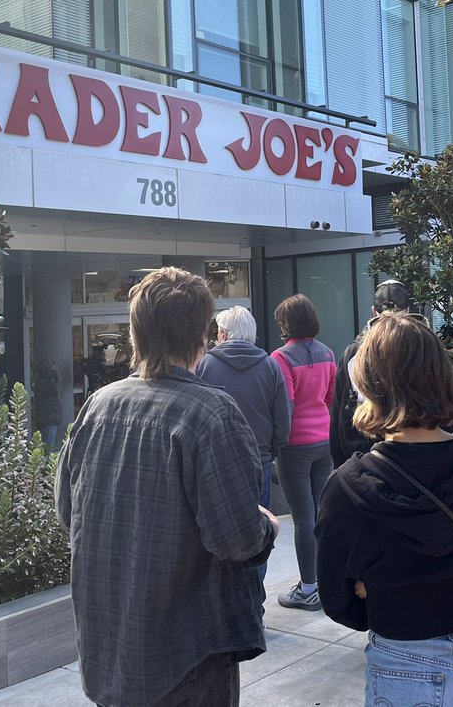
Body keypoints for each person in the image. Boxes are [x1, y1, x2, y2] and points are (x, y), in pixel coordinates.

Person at [56, 267, 279, 707]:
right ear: (203, 338)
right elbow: (237, 541)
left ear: (135, 335)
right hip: (187, 654)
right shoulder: (212, 413)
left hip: (109, 649)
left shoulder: (97, 406)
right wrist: (267, 525)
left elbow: (68, 513)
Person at [315, 312, 453, 705]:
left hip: (404, 655)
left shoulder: (349, 488)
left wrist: (384, 589)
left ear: (368, 384)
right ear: (442, 375)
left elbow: (337, 600)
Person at [271, 294, 337, 611]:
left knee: (303, 517)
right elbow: (329, 398)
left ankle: (308, 589)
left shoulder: (282, 358)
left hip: (294, 447)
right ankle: (325, 582)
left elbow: (286, 406)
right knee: (321, 514)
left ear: (287, 324)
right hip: (323, 441)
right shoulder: (327, 353)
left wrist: (275, 443)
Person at [196, 306, 292, 512]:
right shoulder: (270, 366)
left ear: (223, 334)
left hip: (216, 461)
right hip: (259, 457)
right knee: (261, 528)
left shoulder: (204, 366)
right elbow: (283, 420)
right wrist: (270, 450)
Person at [330, 279, 413, 467]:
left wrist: (340, 467)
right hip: (413, 453)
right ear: (408, 311)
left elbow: (338, 411)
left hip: (364, 456)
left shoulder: (354, 353)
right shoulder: (421, 348)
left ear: (374, 312)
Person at [31, 358, 63, 449]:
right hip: (48, 420)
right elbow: (56, 389)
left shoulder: (42, 383)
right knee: (48, 447)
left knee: (49, 445)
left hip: (49, 419)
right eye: (51, 369)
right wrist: (57, 377)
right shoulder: (43, 383)